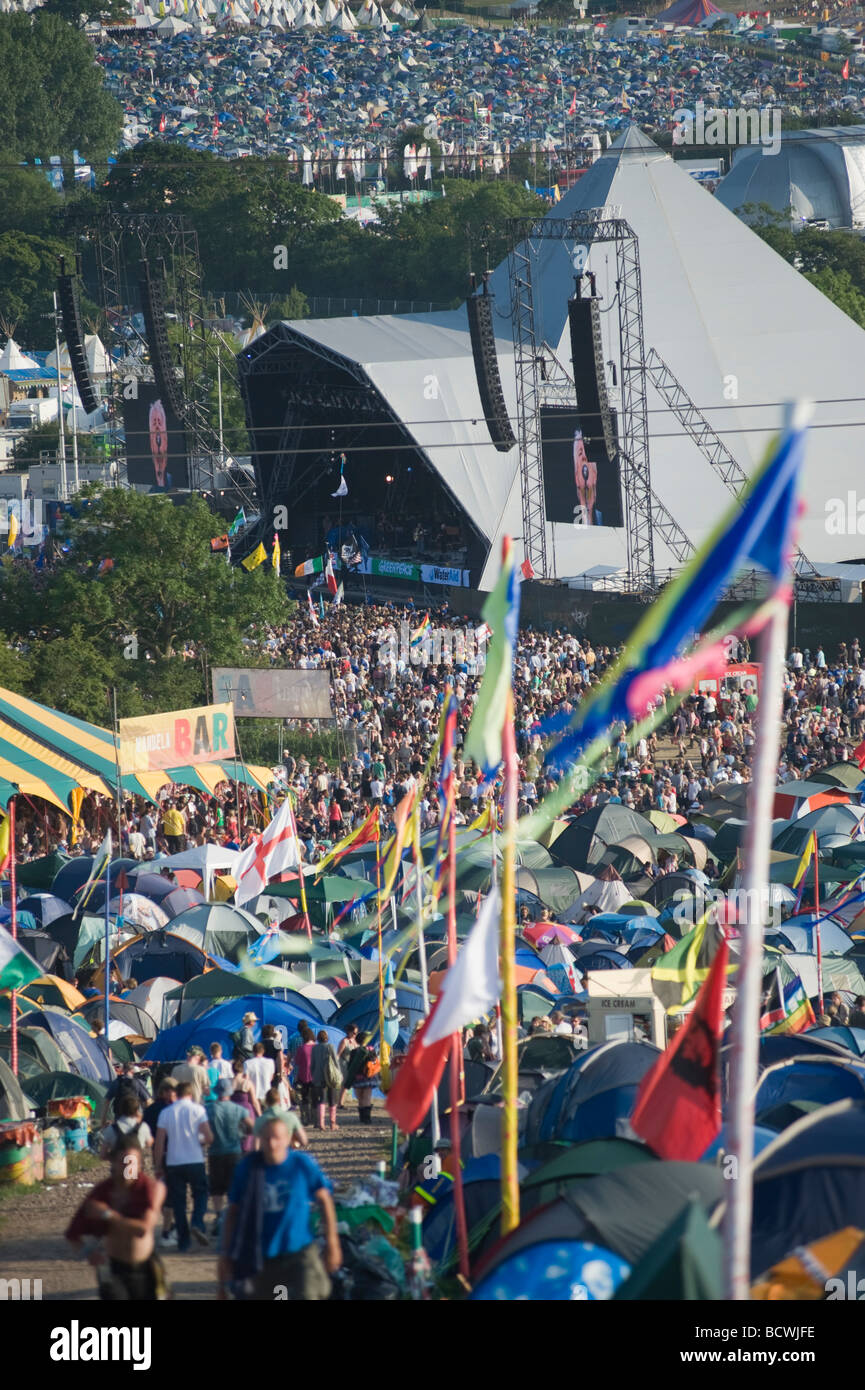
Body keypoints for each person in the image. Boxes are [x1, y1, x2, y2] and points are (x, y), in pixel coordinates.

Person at [218, 1117, 341, 1301]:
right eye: (267, 1138)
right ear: (259, 1139)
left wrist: (332, 1242)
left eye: (277, 1138)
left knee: (310, 1293)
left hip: (298, 1252)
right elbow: (233, 1212)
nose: (272, 1143)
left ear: (288, 1139)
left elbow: (325, 1198)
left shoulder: (301, 1164)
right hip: (261, 1256)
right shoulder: (248, 1168)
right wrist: (226, 1254)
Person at [65, 1137, 168, 1301]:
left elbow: (143, 1229)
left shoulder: (149, 1188)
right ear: (113, 1163)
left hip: (145, 1267)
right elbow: (72, 1234)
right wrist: (89, 1252)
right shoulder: (103, 1192)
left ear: (140, 1164)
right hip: (112, 1267)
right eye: (124, 1162)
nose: (129, 1168)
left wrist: (107, 1215)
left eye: (132, 1163)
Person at [153, 1081, 213, 1252]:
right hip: (195, 1159)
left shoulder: (166, 1113)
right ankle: (197, 1222)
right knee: (200, 1193)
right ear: (191, 1095)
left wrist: (158, 1165)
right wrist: (199, 1140)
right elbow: (209, 1138)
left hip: (173, 1162)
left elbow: (159, 1142)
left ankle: (184, 1240)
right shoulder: (198, 1110)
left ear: (176, 1094)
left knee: (179, 1203)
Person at [206, 1078, 255, 1235]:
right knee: (234, 1186)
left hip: (215, 1152)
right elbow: (252, 1127)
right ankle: (234, 1218)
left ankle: (219, 1217)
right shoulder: (239, 1109)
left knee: (217, 1189)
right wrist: (244, 1134)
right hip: (234, 1151)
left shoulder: (209, 1109)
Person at [99, 1092, 154, 1160]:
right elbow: (149, 1143)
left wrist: (115, 1158)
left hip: (119, 1168)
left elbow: (103, 1155)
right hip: (136, 1167)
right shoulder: (143, 1127)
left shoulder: (111, 1129)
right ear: (137, 1110)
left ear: (120, 1109)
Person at [344, 1030, 379, 1125]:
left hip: (357, 1078)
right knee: (367, 1097)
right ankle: (367, 1118)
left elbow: (350, 1066)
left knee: (360, 1098)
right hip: (369, 1077)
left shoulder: (354, 1051)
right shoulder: (371, 1050)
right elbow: (374, 1061)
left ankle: (362, 1117)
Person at [309, 1029, 341, 1131]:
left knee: (321, 1100)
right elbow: (335, 1062)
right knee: (332, 1100)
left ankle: (321, 1123)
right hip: (330, 1076)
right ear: (326, 1037)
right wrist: (339, 1073)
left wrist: (313, 1075)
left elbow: (312, 1064)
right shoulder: (330, 1047)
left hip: (318, 1077)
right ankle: (332, 1123)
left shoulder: (314, 1048)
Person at [230, 1056, 261, 1153]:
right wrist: (259, 1114)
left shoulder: (228, 1082)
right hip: (247, 1110)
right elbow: (254, 1101)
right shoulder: (247, 1083)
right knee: (248, 1136)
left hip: (232, 1110)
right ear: (242, 1070)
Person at [292, 1023, 316, 1126]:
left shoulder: (301, 1048)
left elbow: (297, 1062)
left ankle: (305, 1118)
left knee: (304, 1098)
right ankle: (314, 1118)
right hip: (316, 1076)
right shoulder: (317, 1047)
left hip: (303, 1075)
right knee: (314, 1098)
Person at [337, 1022, 359, 1109]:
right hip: (344, 1064)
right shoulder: (344, 1041)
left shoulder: (355, 1041)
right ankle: (340, 1103)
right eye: (354, 1033)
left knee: (349, 1084)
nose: (355, 1035)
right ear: (349, 1032)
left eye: (356, 1033)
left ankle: (342, 1102)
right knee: (345, 1084)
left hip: (352, 1064)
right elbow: (338, 1054)